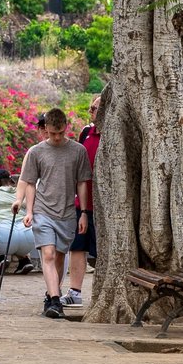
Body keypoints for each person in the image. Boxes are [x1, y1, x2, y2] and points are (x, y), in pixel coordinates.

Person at [19, 108, 92, 319]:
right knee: (48, 254)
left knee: (59, 256)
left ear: (66, 128)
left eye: (60, 133)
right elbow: (30, 183)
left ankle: (53, 292)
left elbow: (82, 183)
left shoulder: (78, 151)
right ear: (46, 130)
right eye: (52, 133)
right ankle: (54, 300)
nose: (57, 137)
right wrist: (29, 211)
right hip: (43, 210)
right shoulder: (36, 152)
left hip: (68, 212)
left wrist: (84, 212)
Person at [65, 97, 103, 291]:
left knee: (102, 251)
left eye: (94, 108)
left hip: (105, 207)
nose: (90, 112)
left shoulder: (113, 136)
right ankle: (75, 291)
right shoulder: (86, 133)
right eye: (90, 108)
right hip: (83, 204)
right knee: (77, 246)